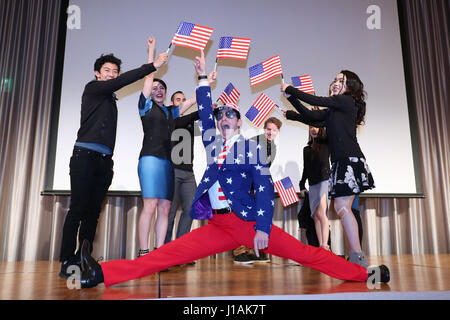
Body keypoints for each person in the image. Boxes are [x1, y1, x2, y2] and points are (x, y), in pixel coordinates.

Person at [79, 51, 389, 289]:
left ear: (239, 122)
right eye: (221, 116)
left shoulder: (251, 149)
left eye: (231, 116)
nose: (224, 119)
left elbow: (265, 190)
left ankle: (365, 273)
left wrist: (263, 228)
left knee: (308, 255)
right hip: (218, 225)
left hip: (249, 224)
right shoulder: (213, 142)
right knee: (166, 254)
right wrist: (202, 78)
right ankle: (102, 274)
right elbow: (203, 108)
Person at [58, 39, 168, 278]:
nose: (112, 75)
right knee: (78, 209)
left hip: (104, 162)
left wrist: (150, 56)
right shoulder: (93, 88)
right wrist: (152, 63)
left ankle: (83, 257)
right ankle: (67, 259)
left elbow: (121, 85)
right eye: (107, 71)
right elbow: (121, 82)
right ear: (97, 74)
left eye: (115, 71)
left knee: (93, 212)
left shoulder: (110, 99)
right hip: (84, 156)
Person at [281, 70, 375, 268]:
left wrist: (291, 90)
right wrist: (292, 105)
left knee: (342, 208)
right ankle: (357, 256)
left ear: (350, 86)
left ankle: (358, 256)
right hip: (343, 162)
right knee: (342, 208)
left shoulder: (346, 101)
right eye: (335, 79)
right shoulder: (335, 110)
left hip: (350, 161)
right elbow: (310, 116)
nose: (335, 83)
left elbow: (316, 100)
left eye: (341, 80)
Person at [136, 36, 196, 257]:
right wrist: (152, 53)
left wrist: (204, 76)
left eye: (162, 87)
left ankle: (159, 252)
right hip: (150, 161)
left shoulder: (171, 112)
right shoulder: (146, 107)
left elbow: (192, 100)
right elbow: (148, 76)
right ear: (150, 91)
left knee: (165, 208)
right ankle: (144, 251)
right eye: (155, 87)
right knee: (150, 206)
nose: (159, 89)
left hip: (168, 165)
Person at [233, 117, 282, 264]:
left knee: (256, 218)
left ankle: (253, 250)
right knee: (243, 218)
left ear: (278, 132)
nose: (270, 132)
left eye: (273, 130)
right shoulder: (255, 142)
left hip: (257, 188)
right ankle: (240, 251)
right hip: (244, 186)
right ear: (264, 129)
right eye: (268, 129)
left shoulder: (272, 147)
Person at [164, 91, 199, 248]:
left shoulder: (189, 121)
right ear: (172, 104)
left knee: (191, 209)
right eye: (178, 100)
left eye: (185, 100)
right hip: (172, 171)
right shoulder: (169, 117)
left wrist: (210, 110)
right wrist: (201, 111)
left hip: (188, 172)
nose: (183, 102)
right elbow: (181, 121)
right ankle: (164, 248)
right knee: (169, 212)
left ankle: (179, 249)